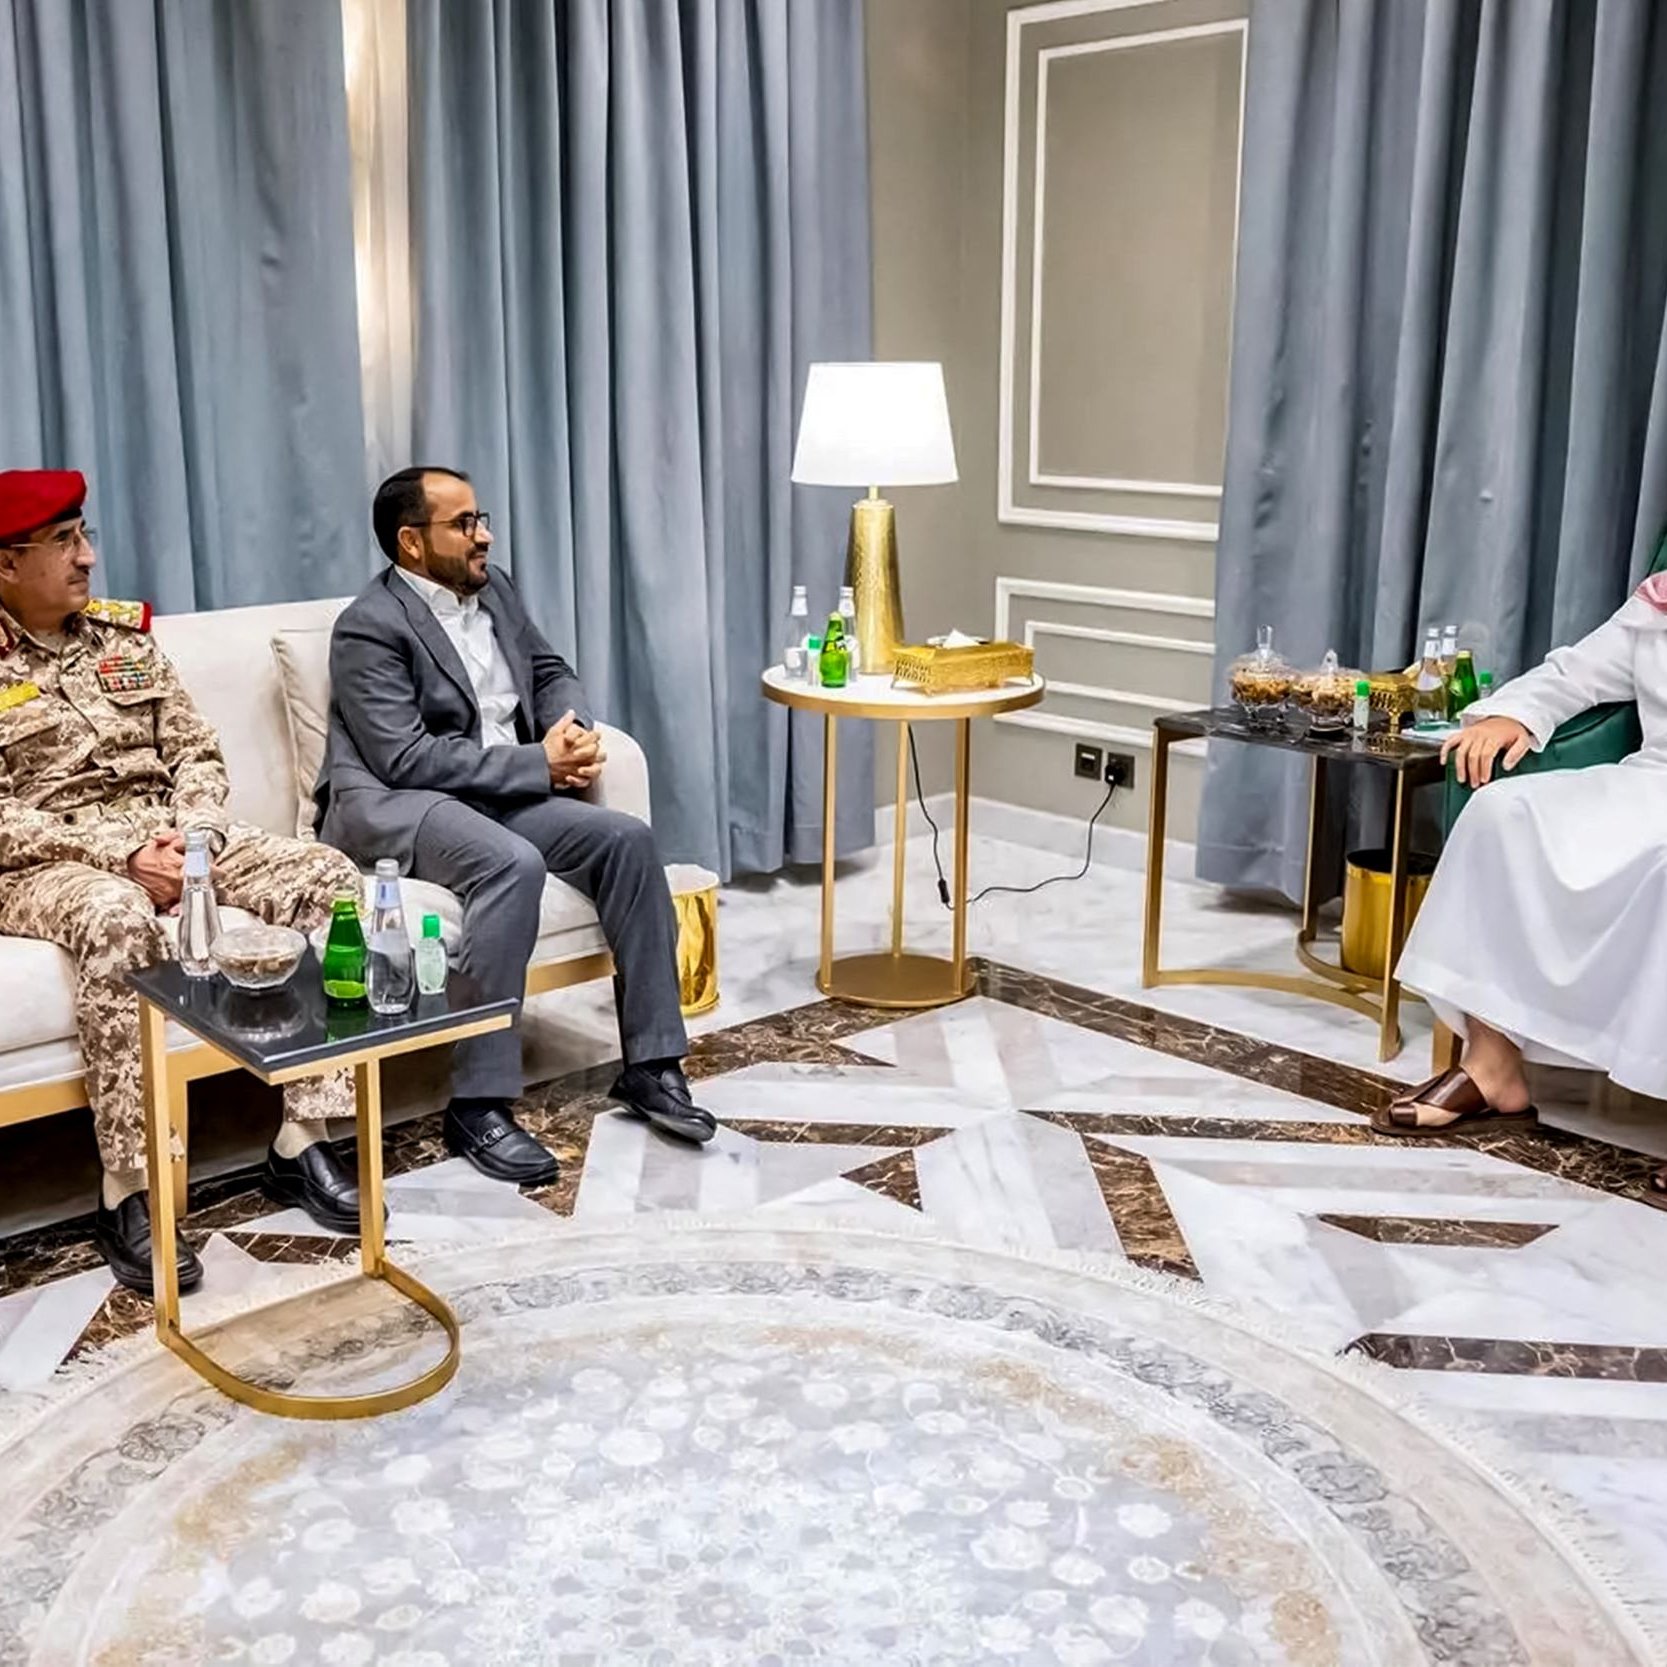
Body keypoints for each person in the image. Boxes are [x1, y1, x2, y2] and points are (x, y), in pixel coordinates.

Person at [0, 470, 369, 1294]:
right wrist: (119, 857)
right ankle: (128, 1189)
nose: (87, 556)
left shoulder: (125, 638)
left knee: (328, 879)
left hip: (175, 835)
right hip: (48, 863)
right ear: (7, 563)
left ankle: (304, 1138)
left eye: (83, 534)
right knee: (117, 920)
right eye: (63, 542)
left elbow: (197, 753)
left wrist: (194, 838)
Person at [313, 465, 715, 1186]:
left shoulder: (490, 587)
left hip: (498, 788)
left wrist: (570, 727)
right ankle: (478, 1102)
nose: (484, 535)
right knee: (511, 863)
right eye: (464, 523)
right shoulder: (367, 627)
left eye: (481, 517)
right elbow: (404, 756)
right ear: (410, 542)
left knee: (626, 840)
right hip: (397, 799)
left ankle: (652, 1064)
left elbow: (550, 667)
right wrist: (537, 764)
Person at [1390, 569, 1667, 1203]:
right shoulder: (1658, 603)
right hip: (1652, 783)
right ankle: (1492, 1067)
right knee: (1501, 814)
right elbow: (1573, 672)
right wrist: (1510, 714)